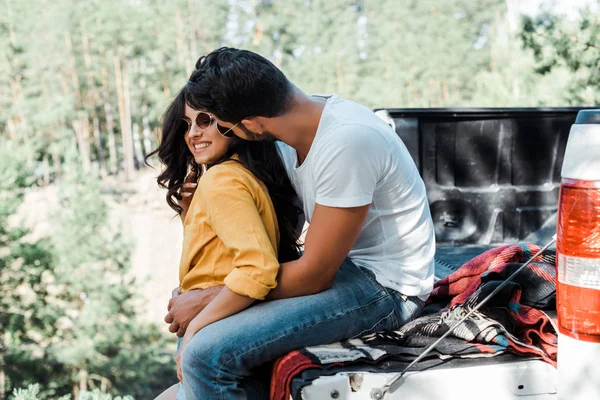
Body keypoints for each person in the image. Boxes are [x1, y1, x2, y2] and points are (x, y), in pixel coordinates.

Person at [165, 47, 436, 399]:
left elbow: (313, 275)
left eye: (223, 125)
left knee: (204, 356)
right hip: (343, 267)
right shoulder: (290, 133)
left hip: (387, 287)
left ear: (251, 124)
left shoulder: (347, 141)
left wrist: (207, 300)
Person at [147, 84, 302, 399]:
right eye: (186, 125)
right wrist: (191, 214)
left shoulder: (222, 180)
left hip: (218, 323)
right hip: (229, 319)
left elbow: (257, 268)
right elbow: (214, 256)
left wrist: (194, 328)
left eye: (204, 120)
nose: (192, 133)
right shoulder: (239, 176)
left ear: (232, 122)